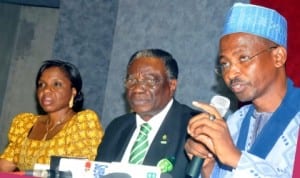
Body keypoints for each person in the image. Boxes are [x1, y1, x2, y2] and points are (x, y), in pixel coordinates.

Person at [185, 2, 300, 178]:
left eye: (243, 58)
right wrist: (208, 168)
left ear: (278, 57)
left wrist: (235, 157)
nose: (231, 73)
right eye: (224, 63)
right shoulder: (235, 121)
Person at [95, 49, 198, 178]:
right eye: (132, 81)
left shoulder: (193, 127)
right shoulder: (117, 127)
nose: (137, 89)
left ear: (172, 85)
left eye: (150, 81)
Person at [0, 60, 104, 172]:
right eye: (41, 84)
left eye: (56, 84)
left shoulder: (83, 123)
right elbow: (4, 167)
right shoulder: (24, 123)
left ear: (73, 91)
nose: (46, 90)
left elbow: (80, 172)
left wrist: (26, 174)